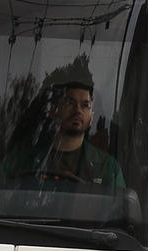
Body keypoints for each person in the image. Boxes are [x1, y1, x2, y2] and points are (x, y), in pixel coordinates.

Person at [20, 60, 125, 190]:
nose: (78, 110)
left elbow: (120, 208)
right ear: (54, 111)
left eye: (85, 105)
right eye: (70, 103)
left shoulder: (108, 168)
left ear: (91, 118)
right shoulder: (28, 160)